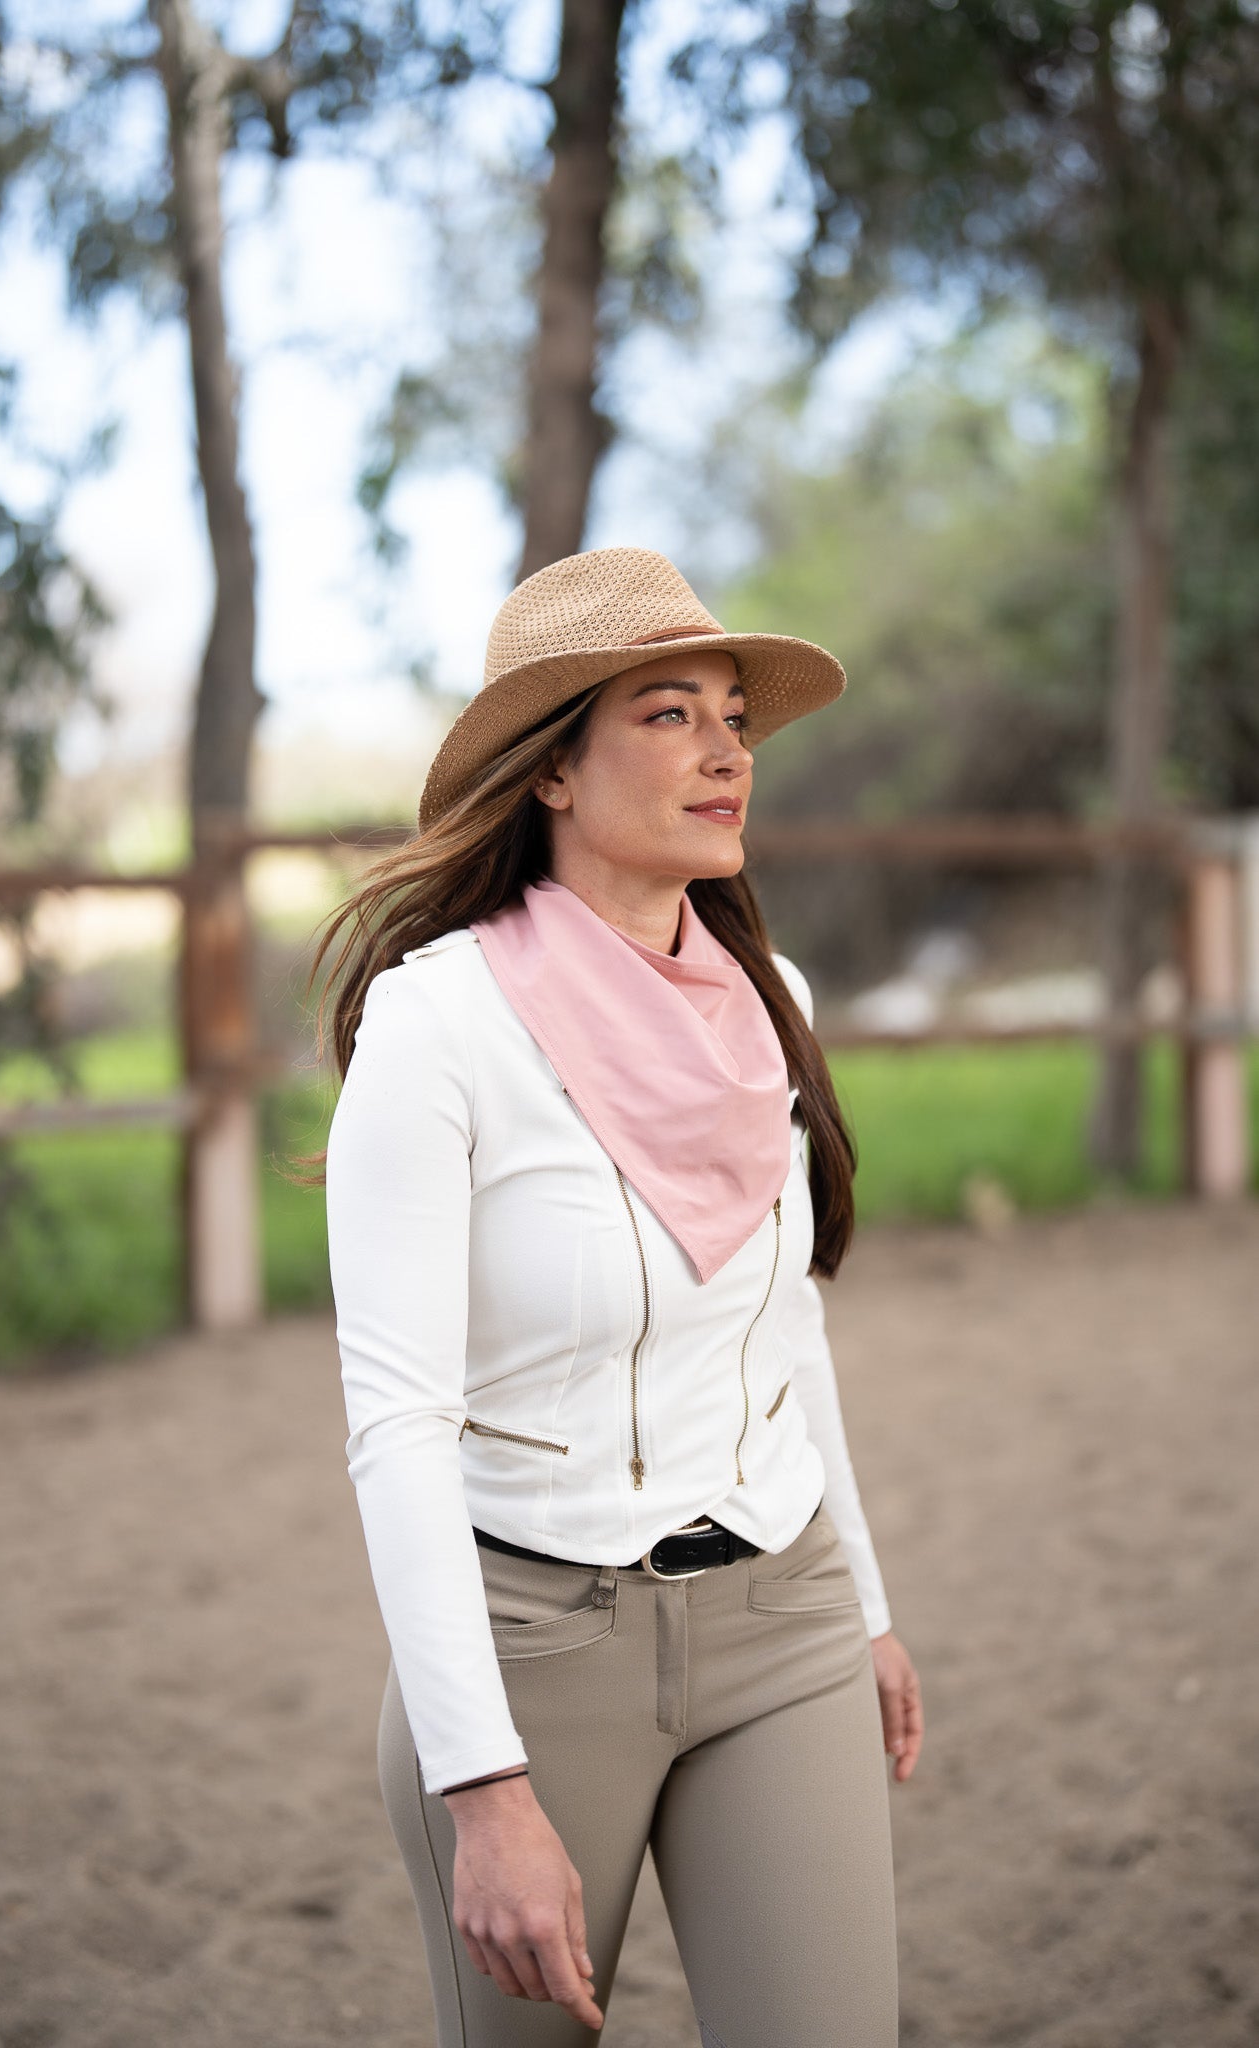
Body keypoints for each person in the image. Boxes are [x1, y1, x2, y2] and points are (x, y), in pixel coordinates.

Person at [317, 545, 924, 2047]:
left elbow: (787, 1330)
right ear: (552, 773)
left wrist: (864, 1607)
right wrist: (483, 1784)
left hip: (780, 1615)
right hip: (534, 1656)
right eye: (669, 714)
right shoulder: (436, 1023)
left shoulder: (766, 990)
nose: (728, 752)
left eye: (733, 714)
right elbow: (395, 1425)